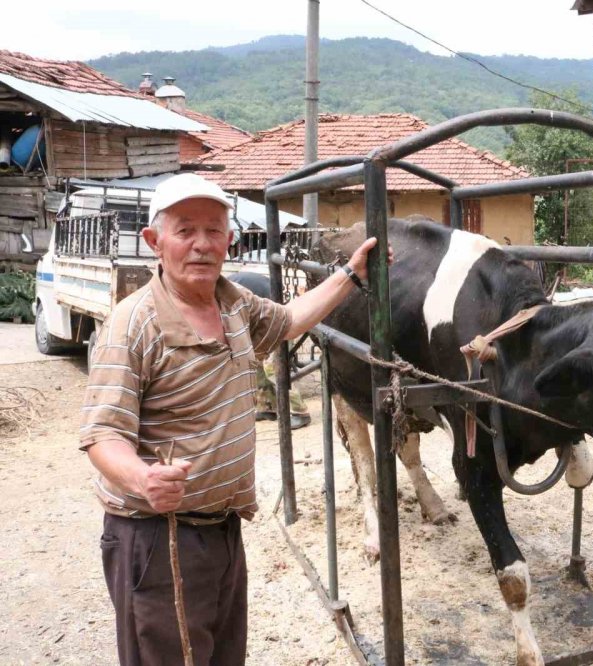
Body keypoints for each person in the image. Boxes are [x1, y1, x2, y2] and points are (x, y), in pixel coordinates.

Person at [80, 173, 390, 665]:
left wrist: (351, 276)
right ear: (155, 242)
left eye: (214, 230)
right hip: (160, 537)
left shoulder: (233, 305)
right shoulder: (133, 321)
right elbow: (102, 432)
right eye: (185, 231)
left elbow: (289, 320)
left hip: (222, 530)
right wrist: (143, 476)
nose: (202, 245)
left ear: (231, 240)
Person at [227, 271, 312, 430]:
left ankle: (300, 412)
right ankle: (267, 406)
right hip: (265, 321)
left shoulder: (224, 291)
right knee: (256, 362)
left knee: (274, 367)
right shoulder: (228, 284)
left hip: (282, 320)